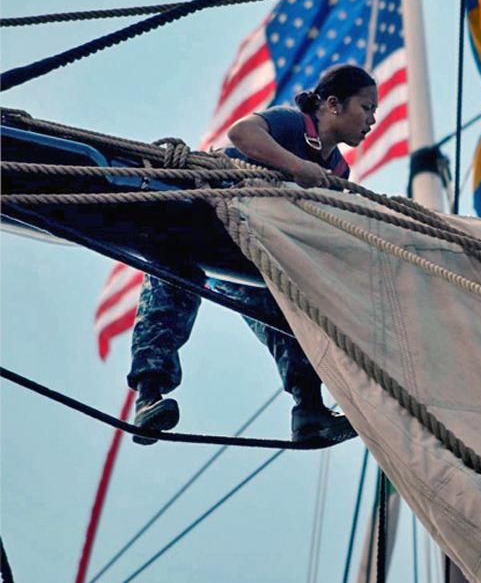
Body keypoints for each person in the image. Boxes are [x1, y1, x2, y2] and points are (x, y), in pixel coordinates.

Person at [128, 64, 378, 447]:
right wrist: (298, 168)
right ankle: (149, 396)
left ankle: (309, 411)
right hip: (207, 214)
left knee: (288, 314)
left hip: (250, 246)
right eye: (366, 107)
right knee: (171, 280)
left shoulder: (337, 170)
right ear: (333, 105)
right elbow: (241, 133)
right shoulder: (292, 124)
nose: (373, 119)